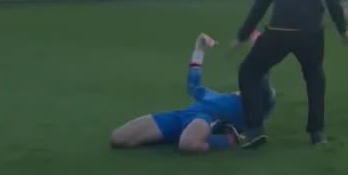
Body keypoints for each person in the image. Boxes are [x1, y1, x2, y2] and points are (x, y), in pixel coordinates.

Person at [231, 0, 348, 147]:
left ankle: (254, 130)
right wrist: (343, 30)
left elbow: (261, 3)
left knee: (249, 71)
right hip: (310, 33)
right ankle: (317, 133)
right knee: (314, 78)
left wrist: (242, 35)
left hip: (279, 32)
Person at [110, 33, 275, 152]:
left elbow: (261, 77)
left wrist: (227, 140)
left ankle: (228, 138)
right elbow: (192, 86)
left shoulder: (254, 104)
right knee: (118, 137)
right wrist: (199, 48)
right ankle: (178, 135)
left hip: (204, 120)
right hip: (182, 116)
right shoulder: (215, 96)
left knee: (188, 144)